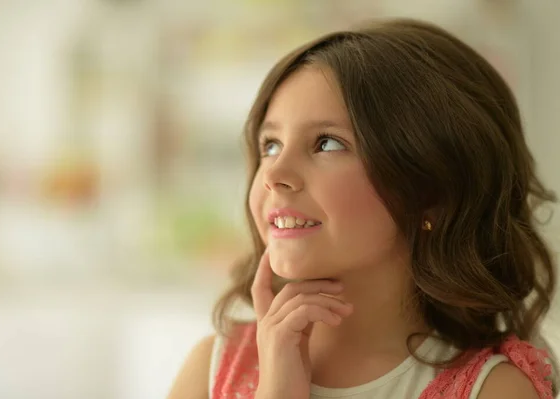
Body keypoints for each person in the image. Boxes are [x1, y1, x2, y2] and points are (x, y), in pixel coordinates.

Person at [168, 18, 558, 399]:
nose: (274, 173)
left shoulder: (493, 391)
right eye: (270, 144)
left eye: (327, 143)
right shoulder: (212, 370)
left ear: (431, 192)